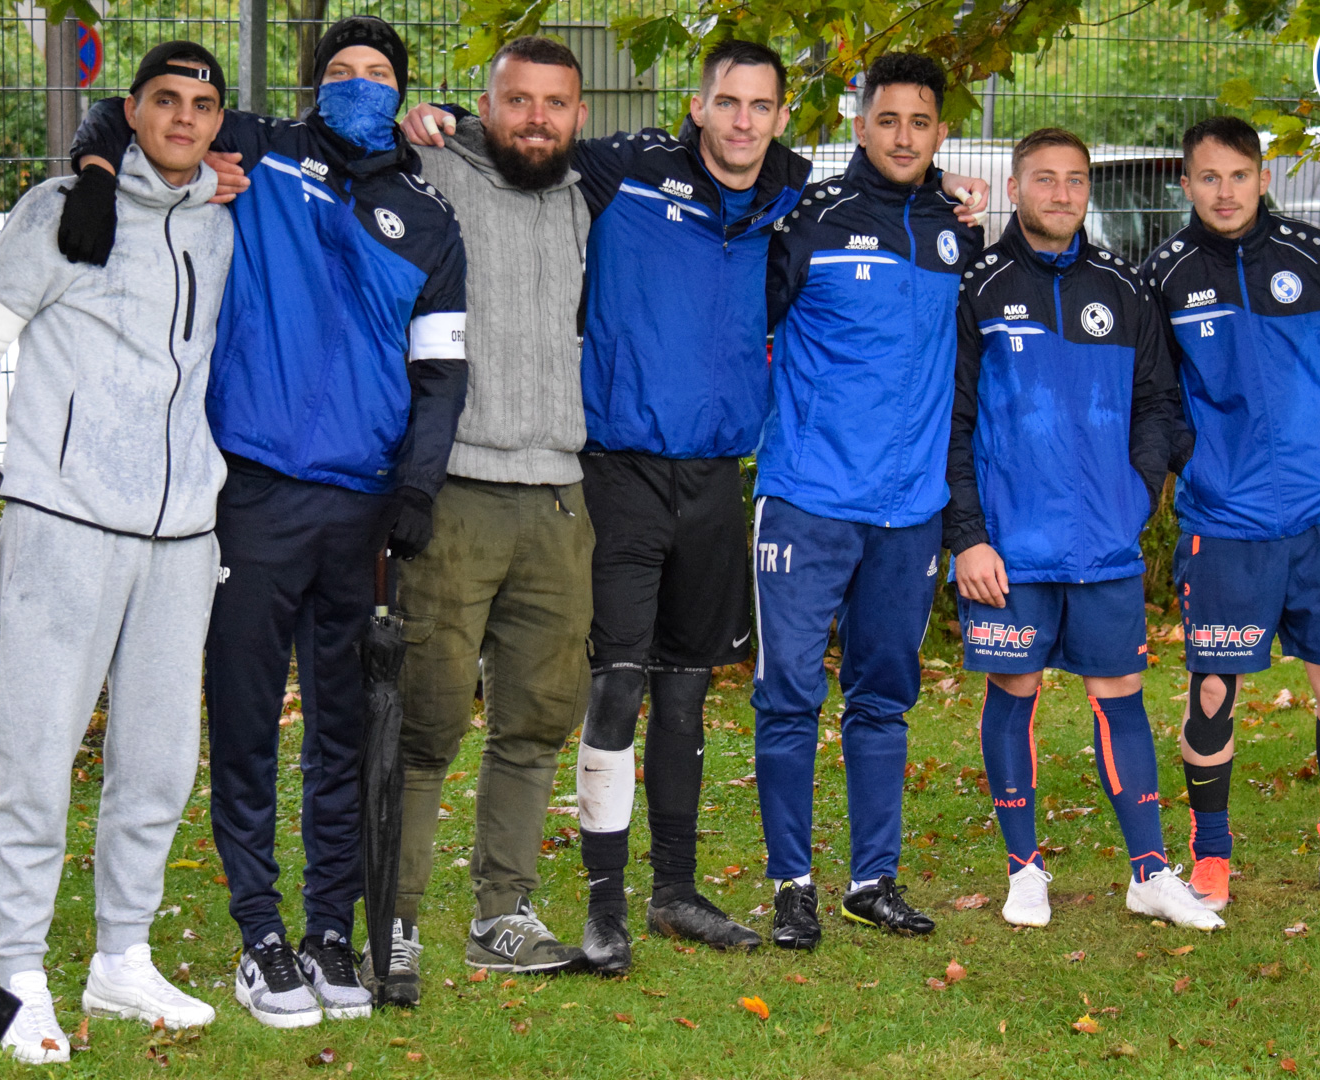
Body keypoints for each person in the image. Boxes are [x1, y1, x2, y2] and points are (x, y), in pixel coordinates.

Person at [402, 41, 987, 973]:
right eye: (728, 102)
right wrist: (446, 122)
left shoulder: (790, 196)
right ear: (698, 105)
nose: (743, 121)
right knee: (617, 685)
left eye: (761, 106)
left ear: (782, 119)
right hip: (620, 469)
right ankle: (604, 905)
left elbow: (879, 187)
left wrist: (944, 185)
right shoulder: (627, 169)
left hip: (716, 478)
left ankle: (673, 890)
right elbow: (532, 139)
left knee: (685, 690)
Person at [59, 16, 468, 1027]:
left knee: (341, 729)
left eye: (379, 73)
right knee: (245, 722)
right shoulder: (261, 148)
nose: (360, 84)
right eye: (342, 71)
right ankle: (261, 936)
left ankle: (328, 931)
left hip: (362, 507)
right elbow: (125, 111)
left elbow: (442, 373)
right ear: (313, 85)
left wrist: (416, 489)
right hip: (251, 493)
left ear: (401, 88)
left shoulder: (429, 215)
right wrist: (99, 177)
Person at [0, 41, 232, 1063]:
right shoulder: (59, 212)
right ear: (131, 112)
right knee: (38, 760)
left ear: (217, 124)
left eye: (202, 106)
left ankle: (122, 957)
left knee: (160, 763)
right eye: (165, 100)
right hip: (63, 525)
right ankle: (19, 970)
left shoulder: (222, 222)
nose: (183, 118)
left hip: (181, 537)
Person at [949, 127, 1223, 932]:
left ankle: (1150, 873)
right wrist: (968, 536)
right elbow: (951, 422)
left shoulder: (1125, 287)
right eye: (1045, 179)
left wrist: (1137, 493)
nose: (1062, 193)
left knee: (1121, 699)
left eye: (1074, 180)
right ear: (1014, 188)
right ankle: (1023, 870)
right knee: (1015, 695)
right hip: (1009, 548)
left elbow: (1159, 406)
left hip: (1105, 541)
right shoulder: (978, 288)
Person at [752, 52, 981, 951]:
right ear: (860, 124)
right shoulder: (810, 220)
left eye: (920, 123)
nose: (903, 137)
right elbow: (745, 330)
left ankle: (871, 881)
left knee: (883, 698)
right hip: (808, 500)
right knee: (788, 695)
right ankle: (791, 886)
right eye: (888, 120)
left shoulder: (954, 228)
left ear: (940, 132)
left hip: (910, 510)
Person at [386, 35, 596, 1000]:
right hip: (458, 491)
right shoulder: (433, 172)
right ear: (486, 104)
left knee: (538, 720)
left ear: (579, 115)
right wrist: (407, 122)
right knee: (424, 723)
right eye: (519, 100)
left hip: (558, 496)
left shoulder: (585, 197)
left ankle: (501, 915)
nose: (536, 119)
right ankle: (393, 922)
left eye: (555, 103)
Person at [1142, 116, 1320, 913]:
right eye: (1208, 177)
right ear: (1186, 183)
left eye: (1239, 175)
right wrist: (1194, 460)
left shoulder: (1314, 256)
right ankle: (1211, 857)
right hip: (1225, 522)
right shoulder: (1165, 275)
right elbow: (1150, 393)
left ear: (1263, 177)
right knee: (1213, 694)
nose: (1225, 192)